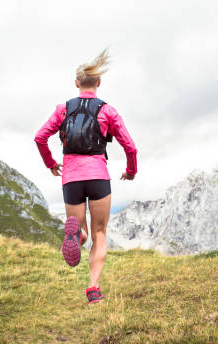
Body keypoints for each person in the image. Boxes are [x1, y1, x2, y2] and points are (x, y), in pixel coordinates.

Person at [34, 49, 138, 304]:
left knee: (81, 229)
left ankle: (76, 236)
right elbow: (131, 147)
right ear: (98, 84)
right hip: (98, 176)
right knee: (100, 233)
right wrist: (131, 171)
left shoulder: (63, 109)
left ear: (76, 83)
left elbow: (40, 137)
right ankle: (93, 289)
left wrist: (51, 164)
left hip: (71, 177)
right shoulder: (107, 111)